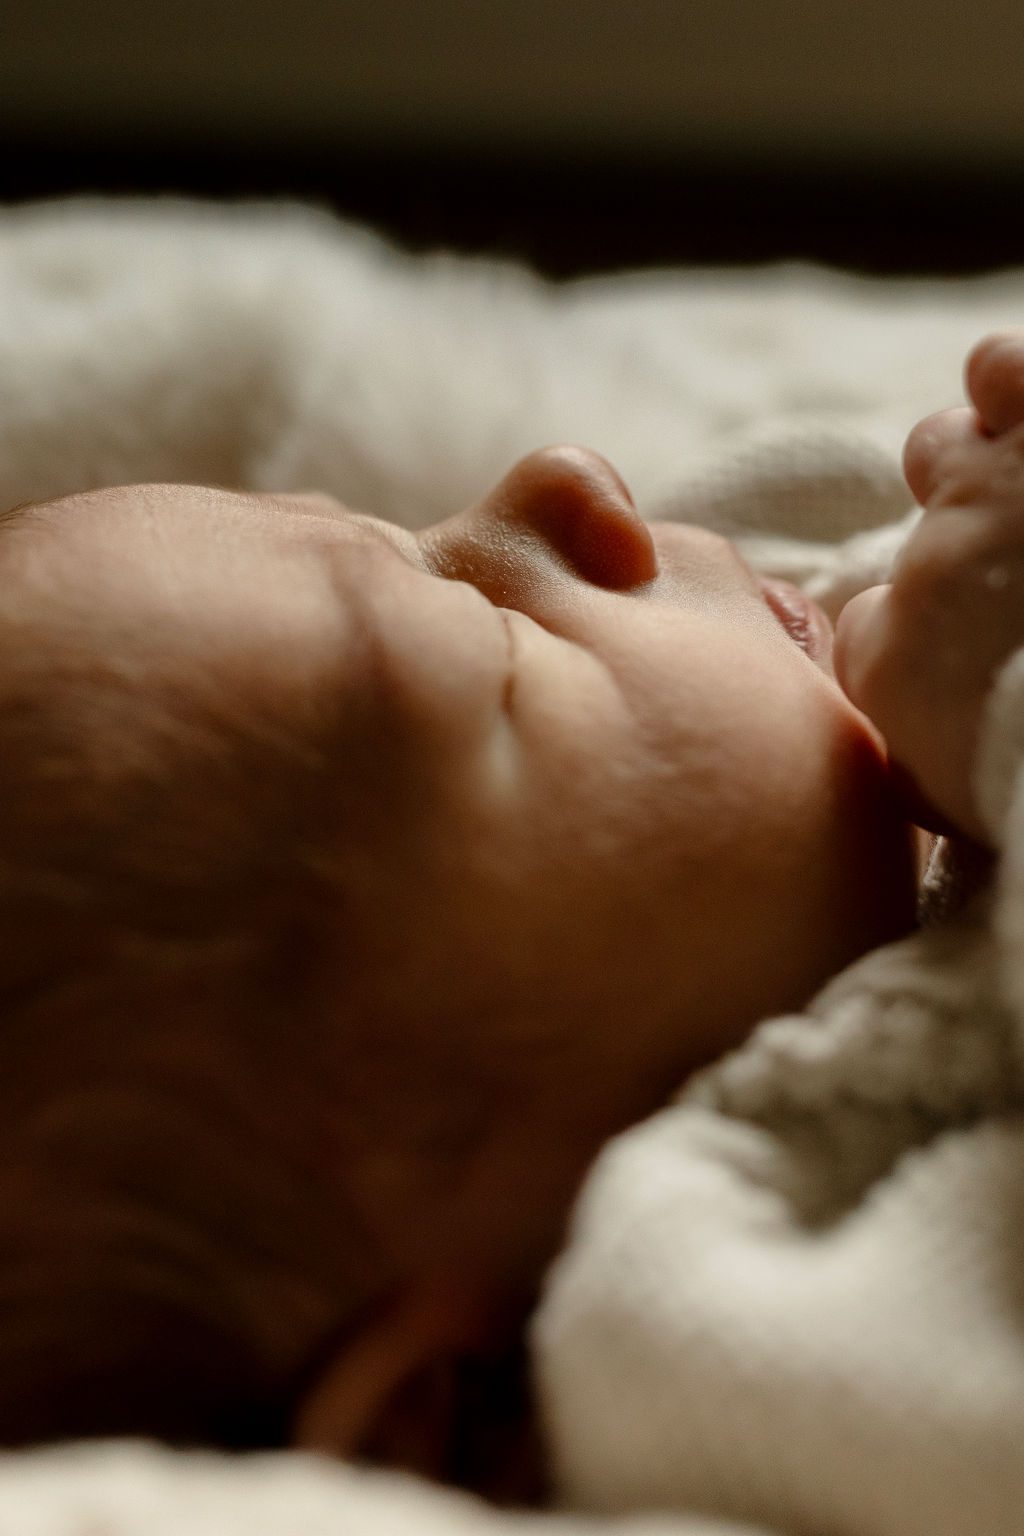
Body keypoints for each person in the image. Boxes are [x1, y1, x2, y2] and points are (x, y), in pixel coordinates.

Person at [0, 327, 1019, 1512]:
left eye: (411, 528)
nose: (565, 476)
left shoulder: (799, 609)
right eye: (500, 651)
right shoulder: (742, 1328)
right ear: (452, 1412)